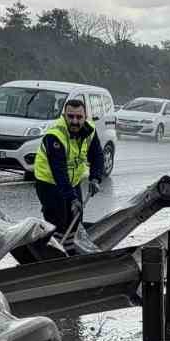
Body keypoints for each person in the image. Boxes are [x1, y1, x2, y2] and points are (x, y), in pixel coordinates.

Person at [32, 97, 106, 240]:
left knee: (76, 221)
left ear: (85, 117)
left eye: (79, 117)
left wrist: (95, 178)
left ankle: (71, 253)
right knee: (58, 224)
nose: (75, 121)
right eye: (70, 116)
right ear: (64, 116)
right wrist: (72, 198)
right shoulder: (55, 136)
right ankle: (53, 255)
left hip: (73, 182)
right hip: (49, 183)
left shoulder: (89, 130)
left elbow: (97, 155)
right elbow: (59, 172)